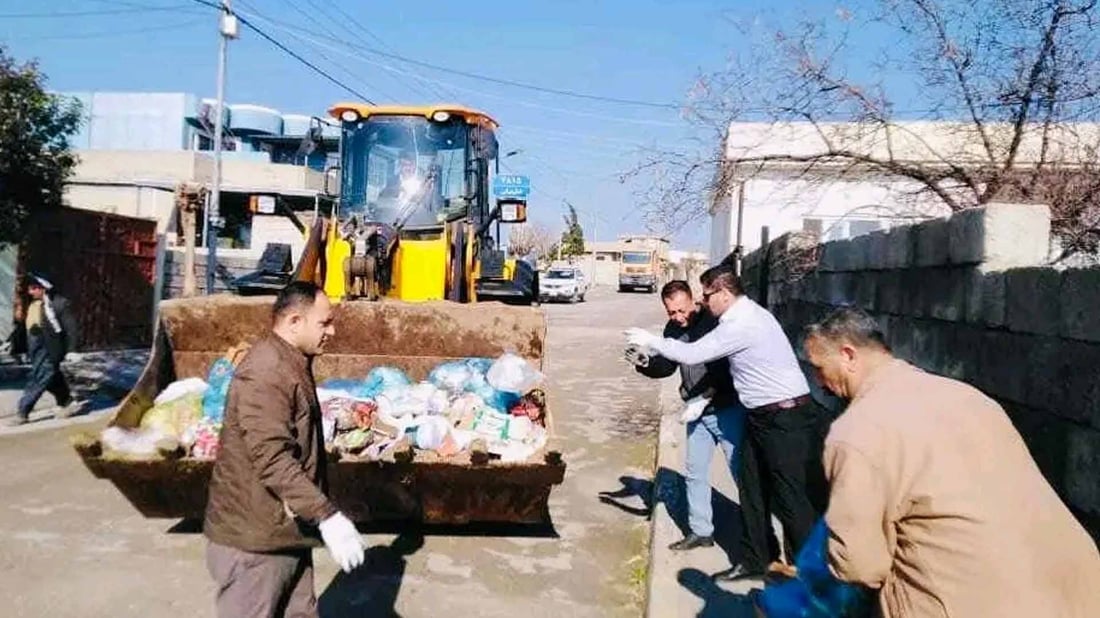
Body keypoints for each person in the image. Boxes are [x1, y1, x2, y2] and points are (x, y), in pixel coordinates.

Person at [803, 307, 1100, 617]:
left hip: (974, 600)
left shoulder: (856, 432)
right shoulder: (968, 396)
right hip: (1071, 585)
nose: (819, 381)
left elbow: (860, 566)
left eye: (819, 368)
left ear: (848, 355)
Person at [625, 263, 826, 581]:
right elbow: (674, 361)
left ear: (722, 292)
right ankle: (756, 559)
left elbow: (695, 355)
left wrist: (652, 341)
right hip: (761, 415)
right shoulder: (733, 319)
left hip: (784, 418)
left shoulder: (742, 322)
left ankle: (807, 577)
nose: (704, 301)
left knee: (791, 500)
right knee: (750, 488)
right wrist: (649, 358)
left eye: (706, 295)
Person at [203, 281, 366, 618]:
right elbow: (272, 458)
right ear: (294, 322)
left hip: (286, 533)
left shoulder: (289, 361)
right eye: (324, 323)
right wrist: (327, 515)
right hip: (255, 544)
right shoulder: (266, 373)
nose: (332, 331)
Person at [628, 280, 746, 551]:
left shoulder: (713, 322)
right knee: (695, 473)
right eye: (672, 313)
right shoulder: (672, 329)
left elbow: (729, 367)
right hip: (696, 411)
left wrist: (708, 396)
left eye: (682, 310)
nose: (679, 318)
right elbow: (667, 366)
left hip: (726, 408)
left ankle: (758, 539)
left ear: (693, 300)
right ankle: (701, 531)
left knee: (742, 474)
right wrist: (645, 363)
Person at [12, 273, 81, 426]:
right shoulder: (34, 304)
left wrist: (72, 349)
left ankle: (23, 411)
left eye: (34, 288)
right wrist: (17, 347)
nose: (31, 292)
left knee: (38, 377)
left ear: (44, 288)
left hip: (50, 349)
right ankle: (66, 401)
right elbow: (26, 328)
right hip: (35, 350)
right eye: (30, 289)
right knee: (51, 377)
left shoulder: (59, 304)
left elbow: (71, 328)